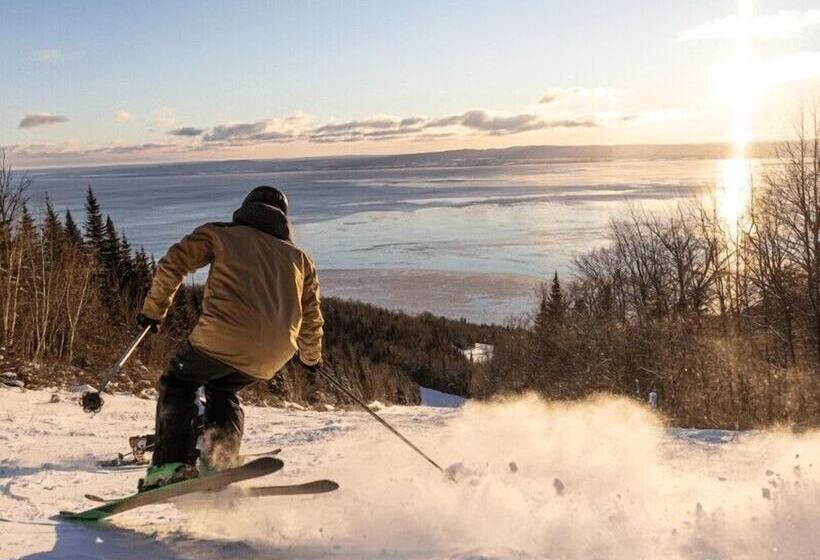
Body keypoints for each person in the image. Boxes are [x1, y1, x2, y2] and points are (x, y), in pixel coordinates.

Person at [136, 186, 324, 490]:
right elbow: (312, 315)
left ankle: (170, 465)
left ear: (246, 208)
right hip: (273, 354)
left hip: (221, 337)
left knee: (178, 384)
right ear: (284, 220)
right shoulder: (300, 259)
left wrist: (153, 312)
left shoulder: (220, 234)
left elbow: (174, 263)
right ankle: (219, 463)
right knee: (223, 391)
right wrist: (310, 358)